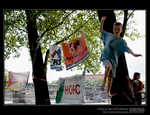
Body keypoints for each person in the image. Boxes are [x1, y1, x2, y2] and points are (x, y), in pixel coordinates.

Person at [99, 16, 142, 97]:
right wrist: (102, 21)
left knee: (111, 77)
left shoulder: (121, 41)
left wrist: (134, 54)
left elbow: (127, 49)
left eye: (118, 29)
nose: (116, 30)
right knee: (108, 67)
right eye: (115, 28)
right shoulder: (108, 35)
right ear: (113, 29)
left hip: (114, 61)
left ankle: (108, 92)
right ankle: (103, 84)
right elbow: (101, 30)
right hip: (105, 57)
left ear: (121, 30)